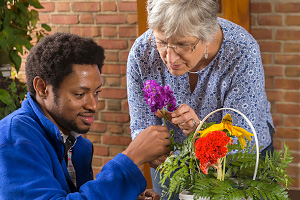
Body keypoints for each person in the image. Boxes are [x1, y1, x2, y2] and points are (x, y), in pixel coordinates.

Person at [127, 0, 275, 199]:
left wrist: (201, 132)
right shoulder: (142, 52)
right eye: (162, 42)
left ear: (207, 35)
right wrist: (154, 152)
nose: (169, 58)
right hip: (173, 167)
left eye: (182, 45)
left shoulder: (242, 51)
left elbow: (242, 141)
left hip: (240, 165)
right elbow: (140, 127)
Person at [0, 32, 171, 199]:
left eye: (96, 92)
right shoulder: (13, 139)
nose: (93, 105)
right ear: (42, 88)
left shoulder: (76, 144)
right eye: (79, 94)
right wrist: (131, 158)